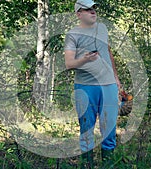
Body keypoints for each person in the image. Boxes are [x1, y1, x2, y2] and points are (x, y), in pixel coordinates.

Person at [64, 0, 121, 168]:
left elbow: (108, 52)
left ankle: (108, 165)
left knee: (109, 129)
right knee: (87, 129)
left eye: (94, 8)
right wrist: (85, 59)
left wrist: (116, 78)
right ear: (78, 14)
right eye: (88, 9)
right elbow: (69, 64)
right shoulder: (73, 35)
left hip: (108, 84)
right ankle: (86, 165)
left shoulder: (102, 29)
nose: (93, 12)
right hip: (85, 86)